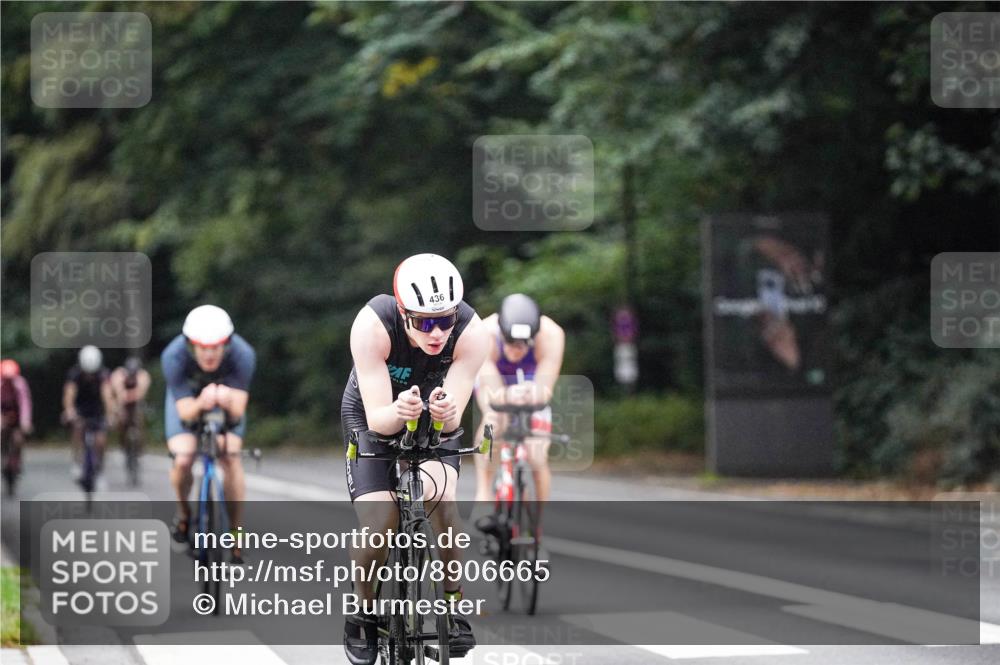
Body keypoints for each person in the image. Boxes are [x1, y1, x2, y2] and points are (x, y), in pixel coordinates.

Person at [341, 253, 490, 665]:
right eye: (425, 322)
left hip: (432, 416)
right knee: (380, 522)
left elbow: (454, 416)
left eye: (446, 319)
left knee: (443, 505)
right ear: (403, 313)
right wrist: (401, 411)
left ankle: (453, 602)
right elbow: (379, 419)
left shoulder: (472, 332)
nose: (438, 331)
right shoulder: (372, 326)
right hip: (375, 414)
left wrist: (444, 413)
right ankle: (363, 610)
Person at [161, 305, 255, 562]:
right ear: (191, 345)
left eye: (216, 347)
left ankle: (236, 534)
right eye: (203, 347)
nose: (210, 353)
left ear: (226, 343)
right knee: (182, 458)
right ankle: (184, 515)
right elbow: (185, 413)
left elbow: (237, 411)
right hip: (189, 403)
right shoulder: (173, 356)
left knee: (231, 456)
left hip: (226, 400)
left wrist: (224, 401)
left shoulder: (242, 354)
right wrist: (202, 402)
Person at [473, 294, 565, 525]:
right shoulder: (484, 333)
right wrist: (504, 396)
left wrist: (533, 394)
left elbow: (544, 390)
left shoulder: (552, 335)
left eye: (523, 345)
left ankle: (537, 526)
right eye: (510, 343)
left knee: (536, 456)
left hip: (531, 379)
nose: (516, 350)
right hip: (493, 378)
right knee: (495, 416)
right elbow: (492, 391)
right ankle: (484, 492)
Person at [62, 346, 115, 486]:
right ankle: (77, 463)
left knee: (101, 441)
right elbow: (69, 394)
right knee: (77, 431)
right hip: (80, 409)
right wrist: (69, 411)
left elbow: (107, 396)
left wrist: (110, 415)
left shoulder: (103, 374)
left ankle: (100, 470)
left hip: (98, 410)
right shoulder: (75, 374)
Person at [110, 355, 151, 479]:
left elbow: (141, 393)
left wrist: (129, 395)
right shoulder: (118, 374)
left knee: (139, 420)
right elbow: (119, 394)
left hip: (136, 404)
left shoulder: (143, 375)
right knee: (121, 421)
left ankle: (140, 449)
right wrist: (119, 408)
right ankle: (122, 444)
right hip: (121, 402)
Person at [1, 359, 33, 489]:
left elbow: (25, 404)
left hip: (17, 417)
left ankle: (17, 461)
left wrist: (25, 422)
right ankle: (3, 456)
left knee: (18, 439)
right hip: (3, 416)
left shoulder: (20, 384)